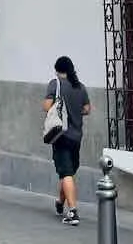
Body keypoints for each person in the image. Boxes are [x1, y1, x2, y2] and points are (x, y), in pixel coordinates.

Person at [43, 56, 92, 226]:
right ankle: (60, 202)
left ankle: (73, 212)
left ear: (57, 69)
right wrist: (74, 111)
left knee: (66, 173)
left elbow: (47, 106)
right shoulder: (81, 87)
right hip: (77, 136)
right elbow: (87, 109)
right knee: (69, 171)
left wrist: (60, 108)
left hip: (61, 135)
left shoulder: (55, 84)